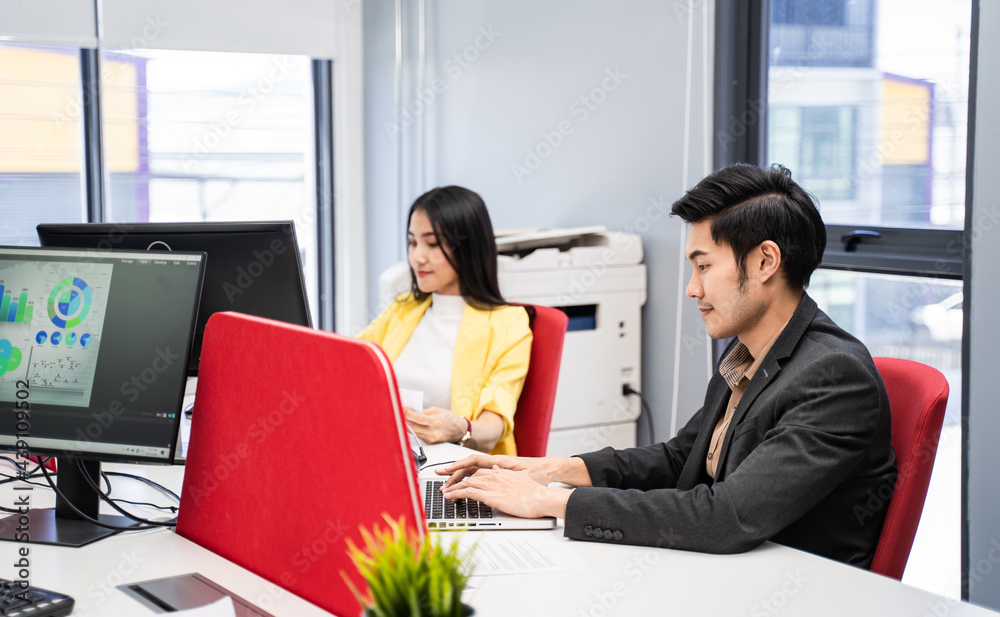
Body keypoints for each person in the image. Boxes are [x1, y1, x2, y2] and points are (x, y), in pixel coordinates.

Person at [439, 163, 896, 568]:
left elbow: (726, 516)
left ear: (764, 261)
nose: (692, 289)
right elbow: (681, 457)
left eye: (703, 267)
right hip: (728, 571)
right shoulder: (747, 354)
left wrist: (551, 503)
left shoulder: (834, 377)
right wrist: (551, 470)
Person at [358, 185, 532, 455]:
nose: (417, 257)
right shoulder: (403, 309)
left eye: (433, 243)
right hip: (387, 454)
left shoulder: (509, 324)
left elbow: (493, 427)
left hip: (457, 470)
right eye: (413, 242)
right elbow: (351, 364)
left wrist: (460, 427)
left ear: (468, 248)